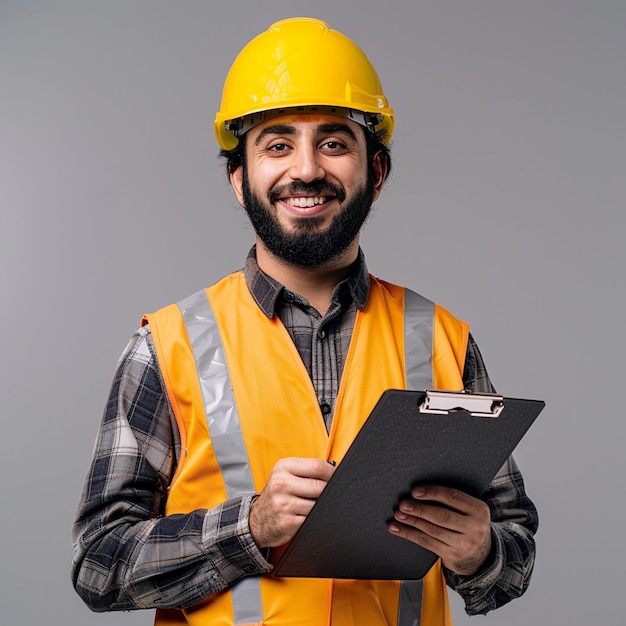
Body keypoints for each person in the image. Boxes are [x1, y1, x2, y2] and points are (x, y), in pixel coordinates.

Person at [71, 17, 538, 626]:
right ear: (240, 179)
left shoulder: (442, 339)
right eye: (277, 144)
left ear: (377, 173)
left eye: (336, 142)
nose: (308, 169)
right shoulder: (167, 345)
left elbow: (513, 555)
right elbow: (98, 567)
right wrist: (250, 526)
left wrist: (481, 553)